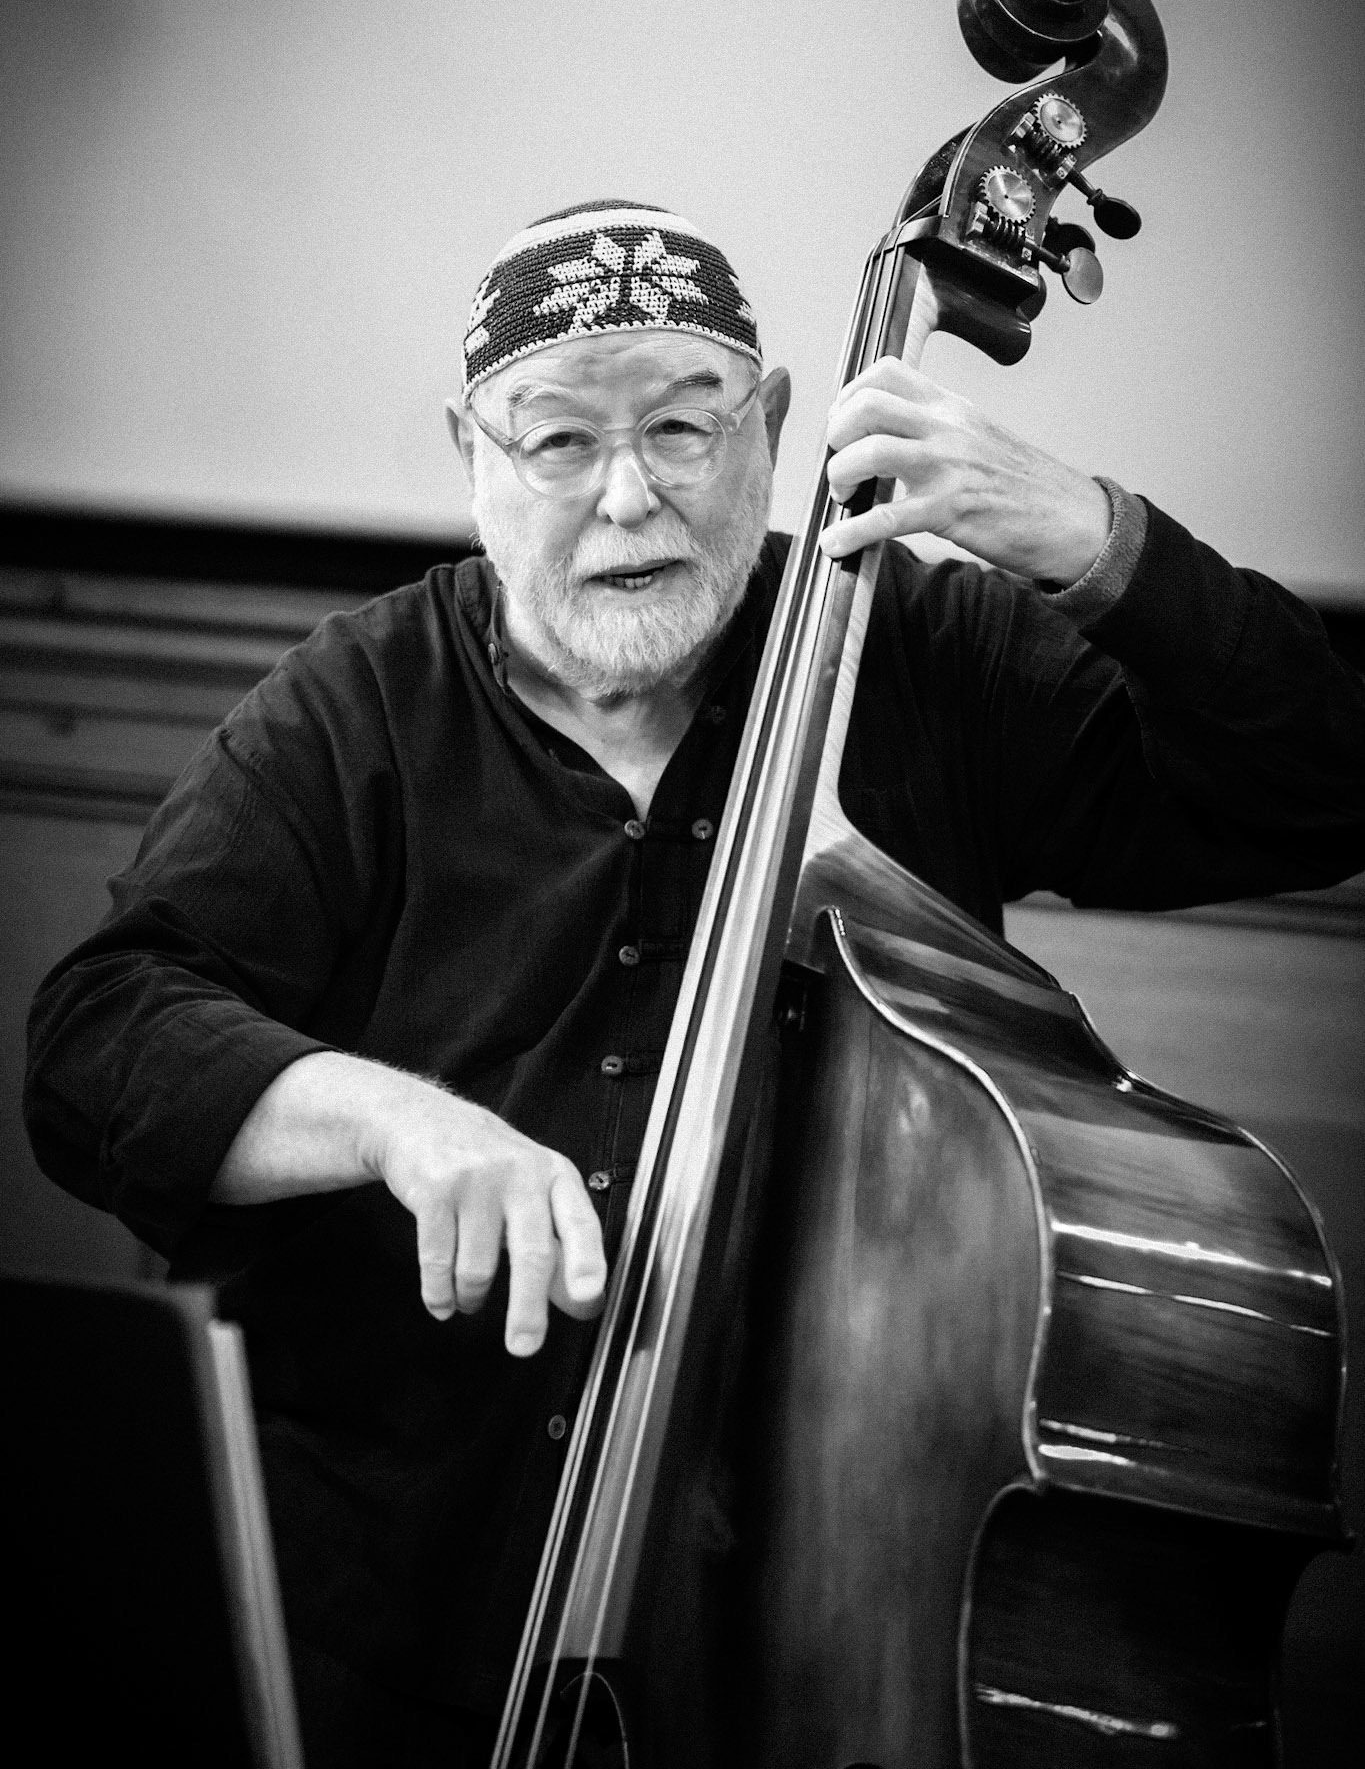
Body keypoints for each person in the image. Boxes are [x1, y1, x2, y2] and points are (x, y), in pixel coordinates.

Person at [24, 200, 1365, 1766]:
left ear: (774, 427)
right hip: (392, 1632)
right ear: (471, 453)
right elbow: (97, 1041)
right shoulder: (356, 705)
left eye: (681, 425)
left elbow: (1324, 782)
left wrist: (1094, 541)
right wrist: (394, 1124)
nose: (627, 497)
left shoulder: (912, 652)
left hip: (840, 1653)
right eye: (556, 443)